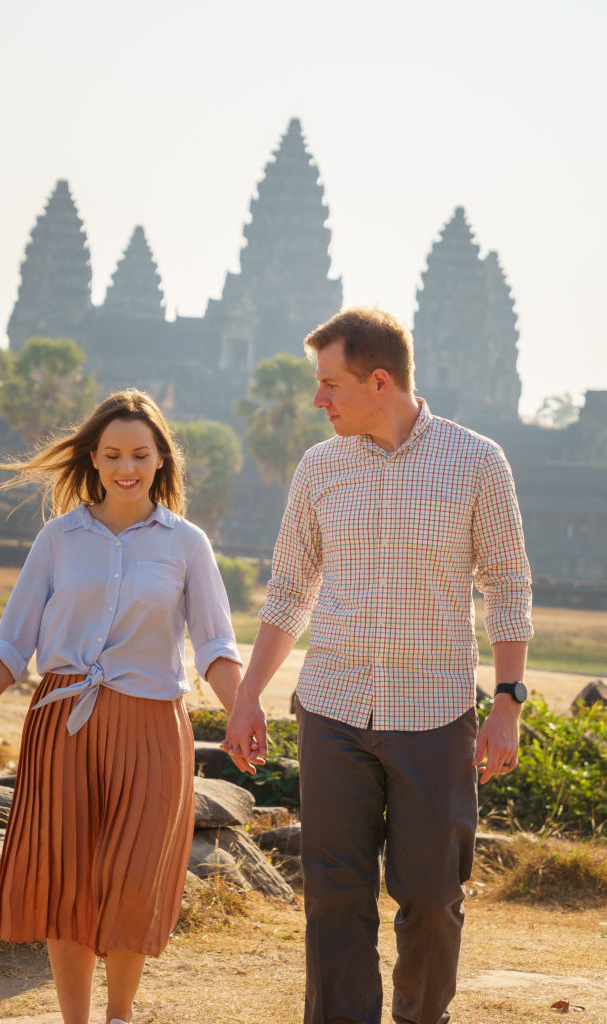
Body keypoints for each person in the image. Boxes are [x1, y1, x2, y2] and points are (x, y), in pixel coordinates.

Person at [223, 307, 534, 1024]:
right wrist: (246, 698)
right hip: (331, 709)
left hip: (433, 714)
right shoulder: (318, 467)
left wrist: (507, 706)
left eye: (329, 384)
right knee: (334, 893)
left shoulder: (476, 461)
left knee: (430, 896)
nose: (317, 400)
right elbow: (290, 589)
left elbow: (508, 588)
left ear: (379, 380)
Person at [0, 388, 254, 1024]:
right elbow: (16, 634)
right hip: (61, 723)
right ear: (93, 458)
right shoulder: (58, 538)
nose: (127, 467)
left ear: (160, 459)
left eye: (140, 454)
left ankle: (120, 1015)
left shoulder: (187, 544)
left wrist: (243, 711)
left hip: (152, 726)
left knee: (134, 876)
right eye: (114, 454)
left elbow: (215, 644)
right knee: (66, 879)